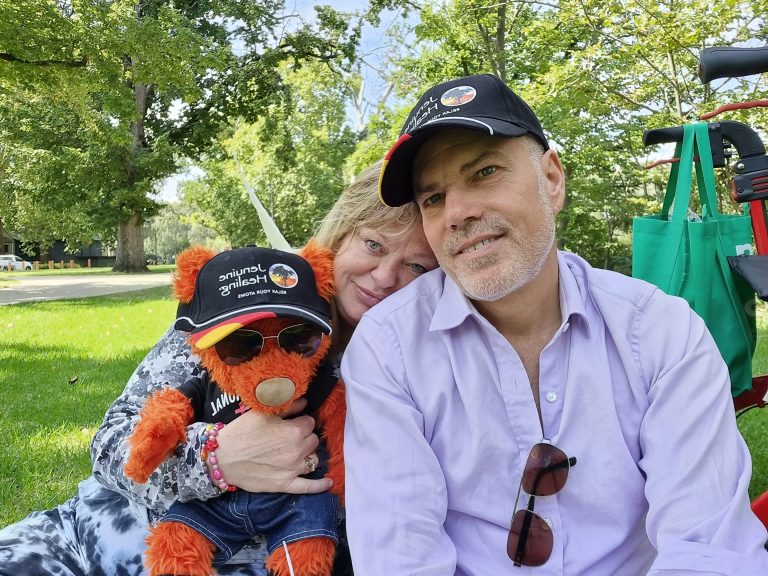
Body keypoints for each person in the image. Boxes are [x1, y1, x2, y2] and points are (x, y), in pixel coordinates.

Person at [342, 73, 768, 575]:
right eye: (432, 198)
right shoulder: (389, 347)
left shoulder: (659, 332)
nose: (456, 212)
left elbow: (707, 549)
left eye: (484, 172)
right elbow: (401, 555)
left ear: (552, 179)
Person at [0, 160, 438, 576]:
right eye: (373, 245)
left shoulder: (414, 369)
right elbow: (111, 447)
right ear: (340, 237)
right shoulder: (242, 302)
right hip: (82, 543)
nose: (384, 277)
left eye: (417, 265)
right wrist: (215, 458)